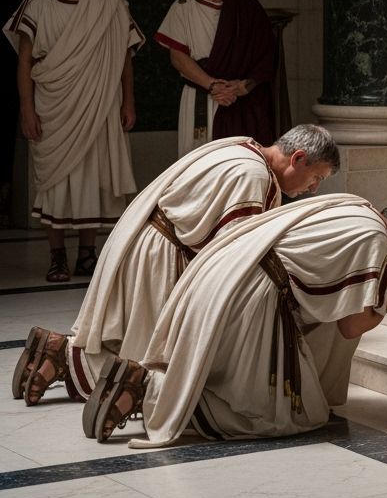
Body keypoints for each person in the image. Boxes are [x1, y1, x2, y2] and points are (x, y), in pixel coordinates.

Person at [11, 123, 340, 411]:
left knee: (127, 340)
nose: (313, 189)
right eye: (316, 178)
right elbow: (235, 251)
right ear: (297, 158)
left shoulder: (242, 147)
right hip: (164, 254)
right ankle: (63, 356)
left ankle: (57, 353)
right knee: (150, 358)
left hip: (149, 239)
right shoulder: (254, 177)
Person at [83, 193, 387, 446]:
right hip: (254, 294)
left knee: (231, 380)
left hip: (231, 272)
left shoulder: (359, 208)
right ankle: (144, 388)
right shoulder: (375, 242)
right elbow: (350, 325)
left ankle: (143, 384)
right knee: (286, 417)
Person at [4, 0, 144, 282]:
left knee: (94, 176)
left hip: (100, 101)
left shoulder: (108, 1)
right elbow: (24, 62)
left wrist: (129, 100)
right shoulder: (38, 3)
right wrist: (26, 109)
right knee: (57, 180)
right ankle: (56, 257)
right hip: (54, 101)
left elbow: (125, 57)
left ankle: (86, 255)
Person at [154, 0, 276, 156]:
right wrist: (212, 85)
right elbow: (178, 58)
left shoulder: (248, 7)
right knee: (198, 162)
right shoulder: (183, 7)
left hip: (240, 99)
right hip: (201, 95)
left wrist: (244, 85)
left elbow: (267, 55)